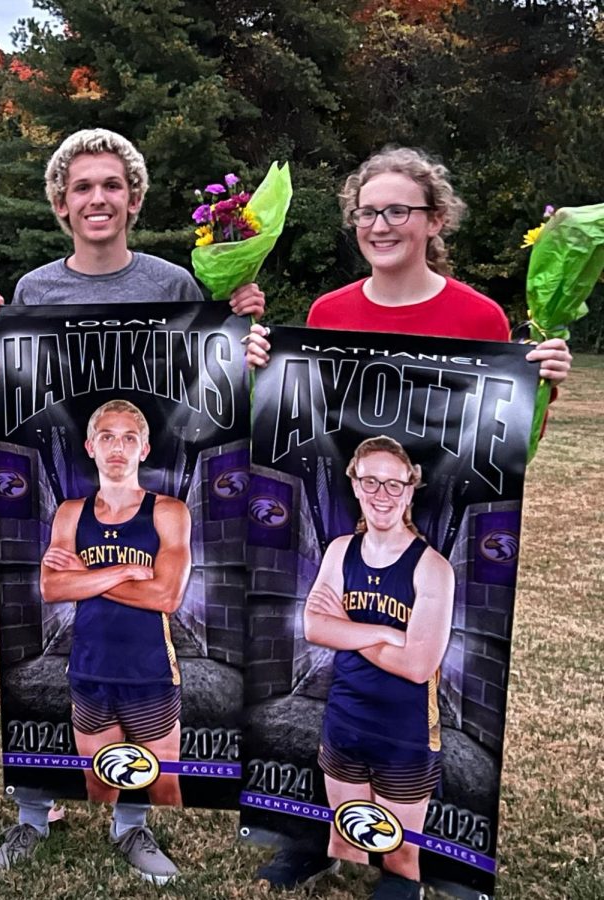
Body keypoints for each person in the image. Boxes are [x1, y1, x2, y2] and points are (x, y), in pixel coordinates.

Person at [244, 147, 572, 899]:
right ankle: (311, 836)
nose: (381, 224)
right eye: (367, 211)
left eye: (399, 210)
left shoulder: (477, 315)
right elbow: (301, 430)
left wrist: (542, 390)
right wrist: (259, 371)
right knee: (323, 685)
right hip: (346, 512)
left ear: (435, 220)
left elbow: (507, 452)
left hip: (435, 523)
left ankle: (415, 852)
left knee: (410, 696)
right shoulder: (329, 313)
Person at [0, 128, 265, 884]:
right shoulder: (36, 291)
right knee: (33, 643)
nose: (97, 199)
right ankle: (34, 810)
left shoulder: (173, 284)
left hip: (146, 481)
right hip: (59, 485)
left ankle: (131, 821)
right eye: (81, 188)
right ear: (60, 204)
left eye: (111, 186)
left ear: (134, 199)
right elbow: (17, 400)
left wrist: (240, 329)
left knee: (138, 646)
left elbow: (208, 386)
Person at [303, 437, 453, 896]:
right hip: (345, 720)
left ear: (410, 491)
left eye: (394, 484)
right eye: (370, 481)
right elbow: (313, 627)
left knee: (400, 853)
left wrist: (346, 624)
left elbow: (417, 664)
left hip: (403, 735)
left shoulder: (432, 568)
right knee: (345, 837)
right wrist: (386, 632)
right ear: (355, 484)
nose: (381, 493)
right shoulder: (340, 551)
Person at [41, 400, 190, 816]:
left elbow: (166, 596)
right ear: (91, 446)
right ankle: (106, 846)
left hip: (150, 672)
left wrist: (86, 576)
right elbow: (52, 587)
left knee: (163, 786)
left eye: (129, 438)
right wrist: (125, 570)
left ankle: (168, 852)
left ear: (144, 449)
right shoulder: (71, 513)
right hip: (89, 669)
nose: (117, 448)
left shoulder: (168, 512)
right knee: (99, 783)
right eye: (107, 436)